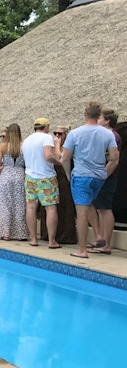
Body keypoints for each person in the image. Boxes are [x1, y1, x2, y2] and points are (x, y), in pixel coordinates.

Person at [61, 102, 118, 258]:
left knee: (81, 214)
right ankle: (99, 235)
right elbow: (114, 158)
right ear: (98, 116)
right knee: (90, 204)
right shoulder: (108, 134)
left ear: (85, 115)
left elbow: (65, 158)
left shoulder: (75, 133)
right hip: (98, 177)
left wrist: (68, 174)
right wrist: (104, 172)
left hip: (81, 175)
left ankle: (82, 250)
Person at [86, 108, 121, 255]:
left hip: (107, 177)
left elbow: (113, 159)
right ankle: (100, 240)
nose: (97, 120)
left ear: (107, 121)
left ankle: (106, 244)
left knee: (105, 209)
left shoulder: (112, 136)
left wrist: (103, 175)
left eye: (100, 118)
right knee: (99, 208)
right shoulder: (105, 135)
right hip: (100, 175)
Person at [22, 117, 61, 248]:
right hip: (46, 177)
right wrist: (59, 162)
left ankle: (33, 238)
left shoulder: (27, 140)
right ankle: (51, 241)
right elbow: (48, 156)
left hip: (29, 176)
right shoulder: (47, 137)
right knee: (50, 208)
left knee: (31, 207)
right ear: (46, 127)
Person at [40, 126, 76, 244]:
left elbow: (60, 158)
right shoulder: (50, 146)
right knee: (50, 205)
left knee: (64, 205)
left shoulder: (67, 147)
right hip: (52, 177)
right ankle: (48, 233)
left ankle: (64, 235)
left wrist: (57, 145)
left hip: (64, 177)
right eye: (55, 133)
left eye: (60, 134)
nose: (57, 136)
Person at [0, 123, 28, 241]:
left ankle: (6, 233)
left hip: (6, 175)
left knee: (5, 205)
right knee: (20, 205)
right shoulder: (24, 146)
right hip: (20, 175)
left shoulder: (3, 146)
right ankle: (20, 234)